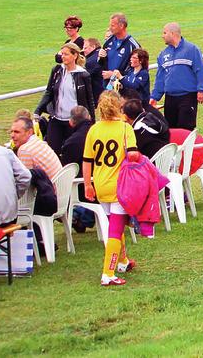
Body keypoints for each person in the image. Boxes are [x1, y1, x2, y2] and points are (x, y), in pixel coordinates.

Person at [82, 92, 139, 286]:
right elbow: (132, 155)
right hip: (119, 186)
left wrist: (88, 184)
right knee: (115, 230)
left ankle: (122, 261)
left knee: (115, 223)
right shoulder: (125, 129)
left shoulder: (93, 130)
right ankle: (108, 273)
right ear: (119, 107)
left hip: (100, 184)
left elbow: (87, 160)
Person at [35, 43, 97, 151]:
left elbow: (89, 99)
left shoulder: (83, 75)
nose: (63, 56)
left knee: (72, 150)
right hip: (56, 119)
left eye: (66, 54)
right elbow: (49, 92)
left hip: (74, 121)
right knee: (52, 150)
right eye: (62, 54)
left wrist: (92, 122)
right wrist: (38, 110)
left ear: (75, 56)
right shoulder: (57, 70)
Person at [150, 23, 203, 131]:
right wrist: (154, 97)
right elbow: (160, 78)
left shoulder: (192, 49)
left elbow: (200, 70)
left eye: (164, 33)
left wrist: (202, 89)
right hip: (170, 98)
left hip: (187, 97)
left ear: (172, 33)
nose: (162, 36)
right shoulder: (163, 55)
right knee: (171, 130)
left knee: (186, 129)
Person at [9, 115, 62, 182]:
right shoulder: (38, 142)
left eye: (17, 132)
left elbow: (25, 182)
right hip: (61, 187)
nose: (12, 136)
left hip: (50, 190)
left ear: (29, 132)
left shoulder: (25, 150)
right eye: (11, 132)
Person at [101, 13, 140, 82]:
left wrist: (114, 75)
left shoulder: (133, 46)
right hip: (108, 85)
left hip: (125, 87)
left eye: (112, 26)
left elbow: (138, 70)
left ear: (121, 26)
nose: (109, 28)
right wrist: (101, 57)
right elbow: (102, 64)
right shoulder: (108, 42)